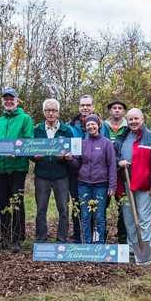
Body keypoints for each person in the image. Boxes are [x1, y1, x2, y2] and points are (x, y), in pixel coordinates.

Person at [0, 88, 34, 252]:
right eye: (5, 99)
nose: (8, 101)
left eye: (11, 99)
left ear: (17, 100)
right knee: (2, 203)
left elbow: (28, 140)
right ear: (2, 102)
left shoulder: (25, 119)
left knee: (17, 203)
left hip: (18, 167)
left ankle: (17, 238)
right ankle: (5, 237)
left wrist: (17, 151)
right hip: (0, 168)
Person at [115, 108, 151, 265]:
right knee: (129, 218)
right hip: (125, 184)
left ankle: (145, 249)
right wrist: (119, 161)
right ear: (127, 121)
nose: (133, 122)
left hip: (144, 184)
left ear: (142, 120)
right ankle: (132, 247)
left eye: (136, 119)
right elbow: (114, 155)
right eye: (130, 119)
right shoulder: (122, 137)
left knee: (143, 219)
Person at [32, 98, 74, 243]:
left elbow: (72, 152)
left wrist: (66, 157)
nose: (51, 113)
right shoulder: (37, 130)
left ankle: (62, 239)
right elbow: (30, 150)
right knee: (41, 209)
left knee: (63, 209)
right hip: (42, 175)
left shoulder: (66, 130)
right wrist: (34, 156)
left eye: (54, 110)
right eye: (48, 110)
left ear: (58, 112)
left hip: (61, 176)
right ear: (44, 112)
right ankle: (41, 238)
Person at [72, 114, 117, 244]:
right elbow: (77, 164)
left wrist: (112, 186)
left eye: (93, 124)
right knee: (85, 215)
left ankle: (99, 243)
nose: (91, 126)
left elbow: (112, 165)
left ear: (98, 125)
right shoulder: (82, 143)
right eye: (88, 125)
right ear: (85, 128)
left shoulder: (107, 143)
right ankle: (87, 242)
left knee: (99, 216)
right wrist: (70, 159)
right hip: (83, 184)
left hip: (101, 185)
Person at [66, 95, 95, 242]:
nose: (85, 108)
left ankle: (93, 235)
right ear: (79, 107)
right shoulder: (70, 127)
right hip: (74, 172)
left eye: (88, 105)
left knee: (93, 204)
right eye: (83, 105)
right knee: (77, 203)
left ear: (93, 107)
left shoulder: (101, 126)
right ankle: (78, 235)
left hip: (94, 173)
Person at [100, 98, 129, 243]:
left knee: (123, 206)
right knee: (102, 205)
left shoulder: (130, 126)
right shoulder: (102, 126)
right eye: (114, 108)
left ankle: (123, 237)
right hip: (104, 172)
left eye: (120, 108)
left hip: (122, 173)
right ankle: (100, 235)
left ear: (124, 111)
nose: (117, 110)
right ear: (110, 111)